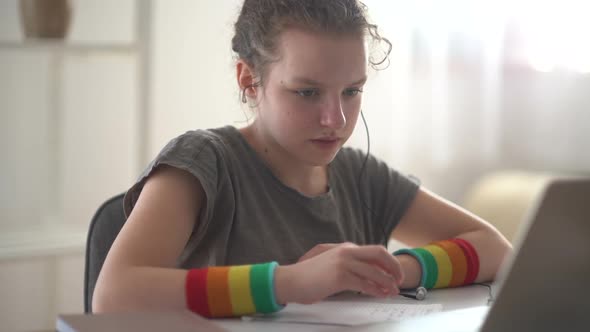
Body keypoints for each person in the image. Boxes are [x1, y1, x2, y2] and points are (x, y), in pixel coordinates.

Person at [93, 0, 512, 318]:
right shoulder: (204, 162)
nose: (337, 119)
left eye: (352, 90)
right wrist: (289, 282)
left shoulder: (362, 176)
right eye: (307, 92)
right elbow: (114, 295)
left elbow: (496, 249)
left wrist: (391, 271)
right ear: (249, 80)